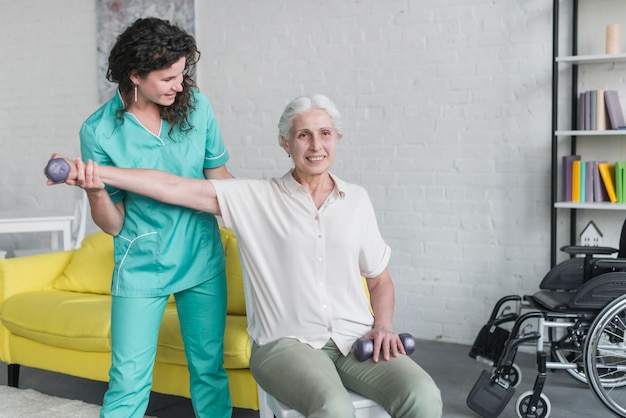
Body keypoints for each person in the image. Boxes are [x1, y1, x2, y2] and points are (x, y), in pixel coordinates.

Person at [54, 94, 443, 418]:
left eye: (325, 134)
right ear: (285, 143)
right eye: (303, 135)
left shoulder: (357, 200)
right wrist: (93, 173)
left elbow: (380, 280)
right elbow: (170, 185)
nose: (316, 145)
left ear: (337, 139)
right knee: (333, 408)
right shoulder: (256, 198)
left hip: (355, 337)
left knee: (423, 395)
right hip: (286, 344)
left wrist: (384, 325)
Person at [77, 17, 232, 418]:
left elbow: (220, 180)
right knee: (128, 382)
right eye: (168, 78)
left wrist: (264, 208)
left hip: (201, 256)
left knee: (209, 372)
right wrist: (96, 189)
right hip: (141, 263)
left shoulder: (196, 107)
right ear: (135, 77)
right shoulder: (99, 131)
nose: (180, 85)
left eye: (183, 74)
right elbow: (112, 223)